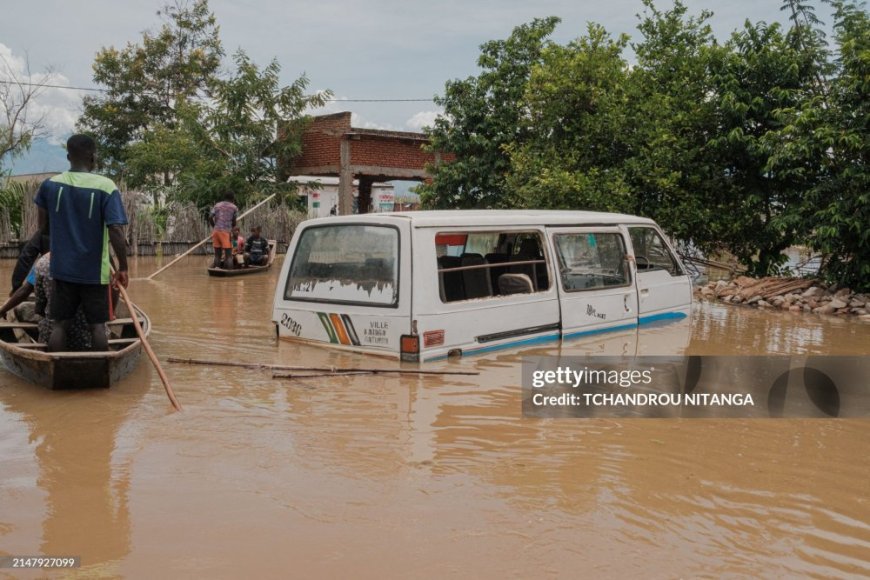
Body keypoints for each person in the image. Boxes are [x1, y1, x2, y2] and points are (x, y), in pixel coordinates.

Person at [34, 134, 128, 352]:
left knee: (60, 325)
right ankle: (100, 369)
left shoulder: (49, 185)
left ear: (68, 157)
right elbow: (115, 229)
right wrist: (123, 268)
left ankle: (56, 366)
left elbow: (43, 228)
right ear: (93, 157)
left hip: (62, 269)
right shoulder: (106, 186)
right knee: (97, 326)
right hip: (94, 272)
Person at [209, 192, 238, 269]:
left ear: (224, 198)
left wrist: (214, 226)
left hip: (216, 231)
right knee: (229, 255)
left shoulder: (217, 205)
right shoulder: (234, 207)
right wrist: (232, 226)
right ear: (232, 199)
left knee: (217, 255)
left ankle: (217, 269)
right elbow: (234, 222)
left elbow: (210, 217)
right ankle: (229, 272)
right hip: (225, 232)